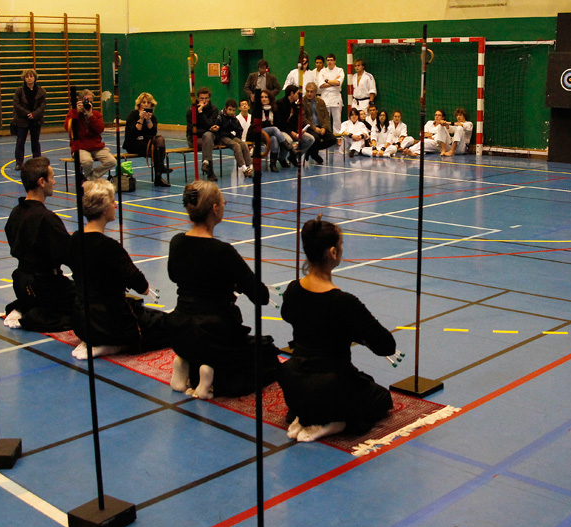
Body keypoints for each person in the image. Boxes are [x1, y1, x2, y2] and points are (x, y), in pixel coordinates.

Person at [279, 218, 396, 442]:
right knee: (381, 398)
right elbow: (386, 346)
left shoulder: (293, 289)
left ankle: (307, 416)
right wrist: (357, 333)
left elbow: (288, 315)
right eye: (341, 245)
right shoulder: (344, 302)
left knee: (360, 381)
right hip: (329, 385)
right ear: (333, 252)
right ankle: (336, 422)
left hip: (295, 384)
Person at [167, 181, 281, 400]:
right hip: (213, 332)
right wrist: (236, 283)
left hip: (180, 328)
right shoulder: (222, 251)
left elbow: (175, 276)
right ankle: (212, 378)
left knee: (200, 346)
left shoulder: (176, 241)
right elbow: (261, 296)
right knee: (267, 356)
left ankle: (187, 364)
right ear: (215, 209)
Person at [66, 179, 169, 359]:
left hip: (82, 320)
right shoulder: (109, 247)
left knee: (152, 315)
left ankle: (104, 341)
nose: (115, 205)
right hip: (111, 322)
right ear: (103, 208)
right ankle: (116, 344)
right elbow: (141, 285)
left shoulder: (75, 239)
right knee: (171, 327)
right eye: (112, 201)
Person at [2, 157, 75, 332]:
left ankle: (26, 306)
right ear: (42, 182)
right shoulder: (47, 219)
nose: (54, 182)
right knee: (93, 302)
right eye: (52, 177)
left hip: (21, 284)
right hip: (46, 286)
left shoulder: (16, 212)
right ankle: (36, 315)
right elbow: (70, 255)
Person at [65, 89, 116, 181]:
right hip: (80, 147)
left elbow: (100, 129)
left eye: (90, 102)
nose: (88, 104)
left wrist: (91, 116)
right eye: (86, 101)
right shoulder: (72, 113)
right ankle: (90, 179)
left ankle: (89, 178)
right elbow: (67, 128)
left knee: (111, 161)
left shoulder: (96, 114)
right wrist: (75, 113)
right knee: (87, 161)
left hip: (96, 146)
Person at [123, 92, 172, 187]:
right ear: (139, 104)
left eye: (148, 102)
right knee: (157, 150)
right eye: (144, 102)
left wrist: (148, 120)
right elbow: (134, 132)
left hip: (146, 142)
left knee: (159, 141)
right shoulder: (133, 115)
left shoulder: (152, 117)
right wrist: (141, 119)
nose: (146, 104)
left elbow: (153, 132)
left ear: (151, 105)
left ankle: (159, 172)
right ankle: (159, 174)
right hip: (133, 143)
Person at [12, 68, 46, 171]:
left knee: (35, 142)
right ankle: (19, 163)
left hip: (36, 120)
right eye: (27, 76)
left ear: (35, 78)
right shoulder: (19, 91)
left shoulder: (41, 91)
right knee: (20, 142)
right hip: (22, 120)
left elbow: (42, 106)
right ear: (24, 78)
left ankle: (37, 162)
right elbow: (16, 105)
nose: (29, 78)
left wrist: (34, 114)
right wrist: (27, 113)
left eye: (31, 76)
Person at [186, 87, 221, 181]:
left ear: (209, 98)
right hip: (194, 138)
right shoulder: (191, 110)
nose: (204, 101)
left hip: (209, 137)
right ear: (198, 98)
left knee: (208, 137)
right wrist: (208, 129)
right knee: (207, 138)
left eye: (206, 98)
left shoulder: (214, 109)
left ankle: (206, 163)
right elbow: (192, 130)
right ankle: (210, 171)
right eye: (202, 98)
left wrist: (201, 113)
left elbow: (210, 124)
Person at [254, 90, 291, 172]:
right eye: (261, 97)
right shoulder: (256, 109)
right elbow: (255, 124)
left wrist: (267, 124)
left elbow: (277, 123)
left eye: (266, 97)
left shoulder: (274, 109)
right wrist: (267, 123)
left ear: (270, 98)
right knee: (274, 129)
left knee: (274, 138)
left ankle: (273, 164)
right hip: (259, 132)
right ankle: (290, 148)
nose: (264, 99)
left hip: (272, 133)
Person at [275, 85, 311, 168]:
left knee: (310, 139)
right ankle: (281, 158)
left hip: (291, 130)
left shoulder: (295, 106)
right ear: (291, 93)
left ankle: (293, 156)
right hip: (280, 130)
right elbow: (279, 123)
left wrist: (299, 130)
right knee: (289, 140)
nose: (298, 95)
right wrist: (290, 132)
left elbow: (295, 122)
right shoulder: (279, 104)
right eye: (297, 93)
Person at [302, 82, 337, 164]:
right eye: (307, 91)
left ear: (316, 92)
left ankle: (311, 150)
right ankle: (315, 155)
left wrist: (324, 127)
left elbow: (326, 116)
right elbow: (303, 119)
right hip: (308, 127)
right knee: (316, 138)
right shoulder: (302, 102)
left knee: (332, 139)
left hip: (321, 126)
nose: (309, 94)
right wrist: (314, 128)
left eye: (311, 91)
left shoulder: (321, 102)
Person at [219, 99, 254, 177]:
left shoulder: (234, 118)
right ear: (225, 108)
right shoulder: (220, 116)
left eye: (233, 110)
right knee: (236, 146)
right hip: (222, 137)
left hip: (231, 136)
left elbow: (239, 129)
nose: (231, 112)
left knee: (243, 144)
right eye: (230, 110)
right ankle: (243, 168)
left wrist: (237, 137)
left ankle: (250, 165)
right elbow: (218, 130)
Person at [318, 54, 344, 127]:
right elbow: (321, 85)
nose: (329, 62)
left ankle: (337, 134)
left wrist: (326, 81)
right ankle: (327, 133)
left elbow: (338, 83)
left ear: (335, 61)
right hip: (325, 97)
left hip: (336, 97)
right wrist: (333, 82)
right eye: (328, 60)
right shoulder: (322, 71)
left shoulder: (340, 70)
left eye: (331, 60)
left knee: (337, 120)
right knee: (325, 120)